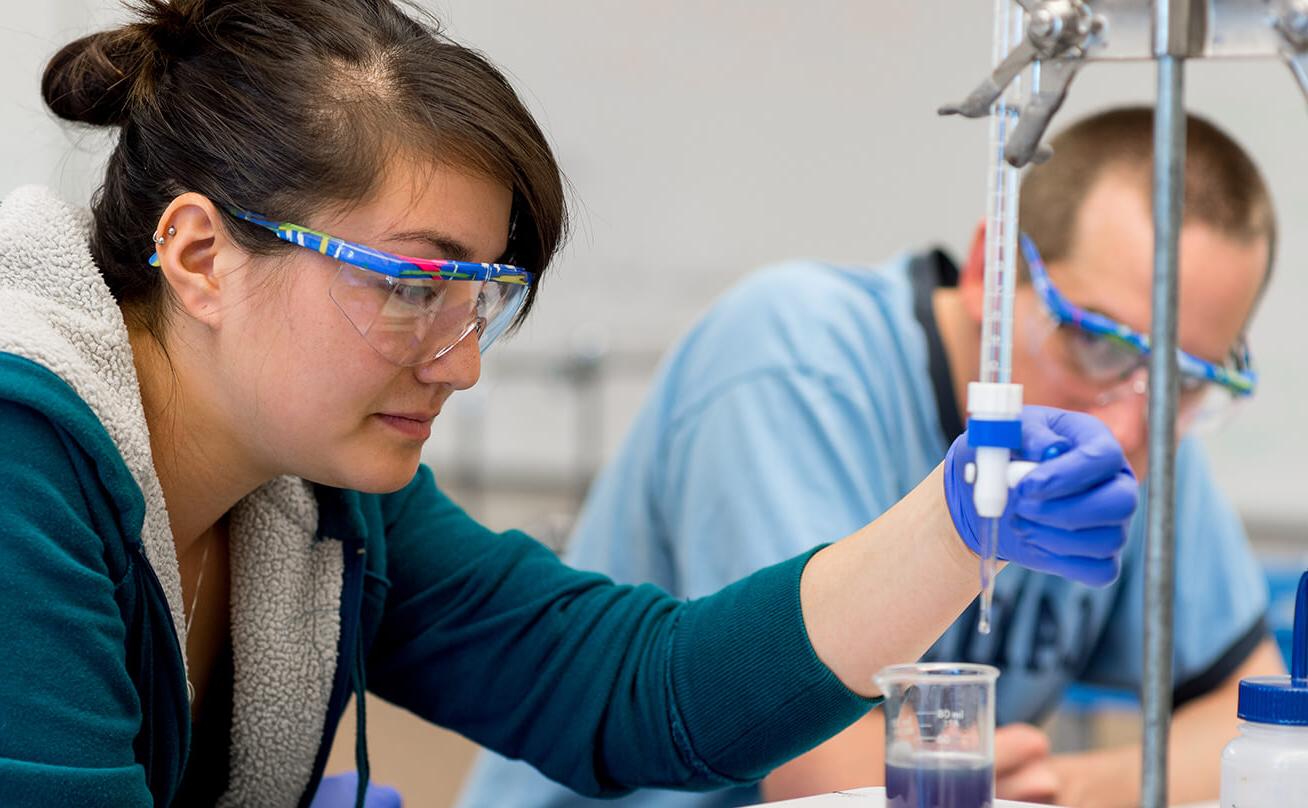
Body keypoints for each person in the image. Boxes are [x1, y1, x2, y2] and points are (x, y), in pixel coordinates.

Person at [0, 2, 1138, 805]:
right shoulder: (22, 462)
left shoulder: (318, 497)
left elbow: (636, 689)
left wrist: (950, 528)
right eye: (410, 288)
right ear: (199, 254)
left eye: (480, 299)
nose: (460, 363)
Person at [457, 107, 1285, 808]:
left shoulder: (1133, 430)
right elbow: (826, 780)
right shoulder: (796, 363)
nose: (1126, 423)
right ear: (995, 271)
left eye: (1183, 379)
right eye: (1096, 342)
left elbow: (1259, 730)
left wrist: (1057, 787)